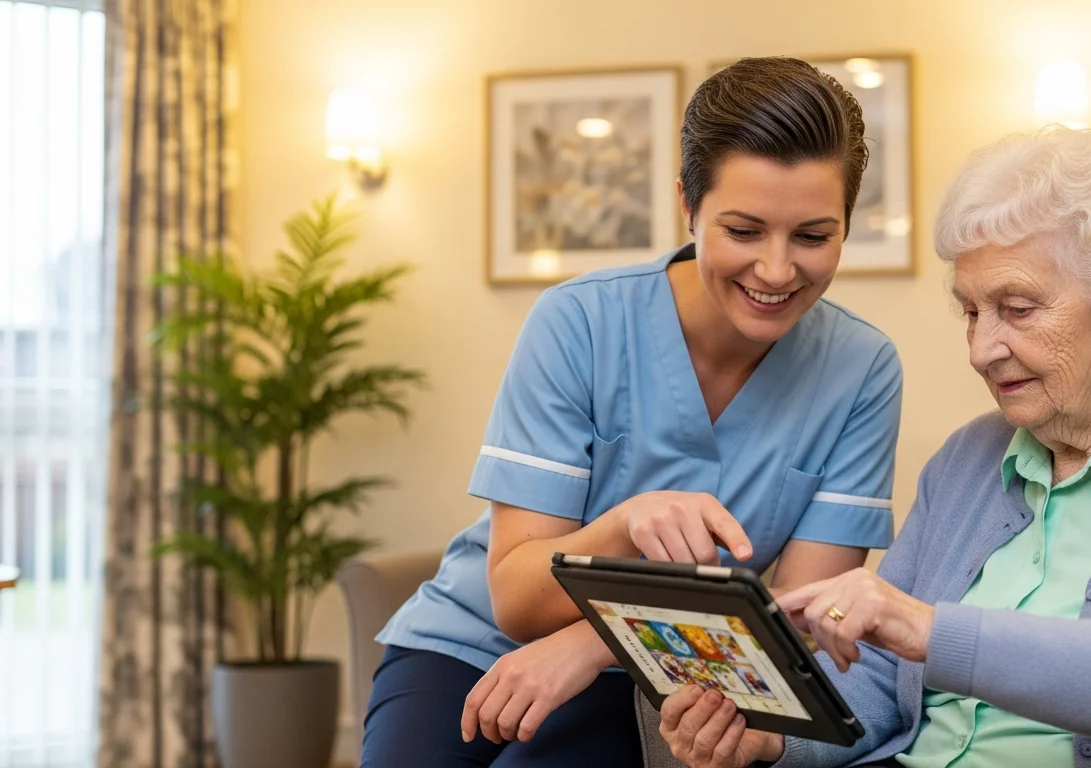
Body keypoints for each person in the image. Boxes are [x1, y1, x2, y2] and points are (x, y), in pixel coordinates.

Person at [658, 127, 1091, 768]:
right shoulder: (970, 458)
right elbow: (880, 675)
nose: (982, 351)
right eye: (972, 312)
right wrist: (773, 741)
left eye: (1019, 308)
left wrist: (935, 632)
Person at [360, 56, 905, 767]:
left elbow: (793, 629)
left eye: (812, 236)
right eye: (743, 231)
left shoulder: (862, 369)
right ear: (688, 205)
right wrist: (625, 522)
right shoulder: (579, 321)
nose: (776, 270)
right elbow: (516, 600)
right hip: (466, 642)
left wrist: (589, 644)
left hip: (662, 677)